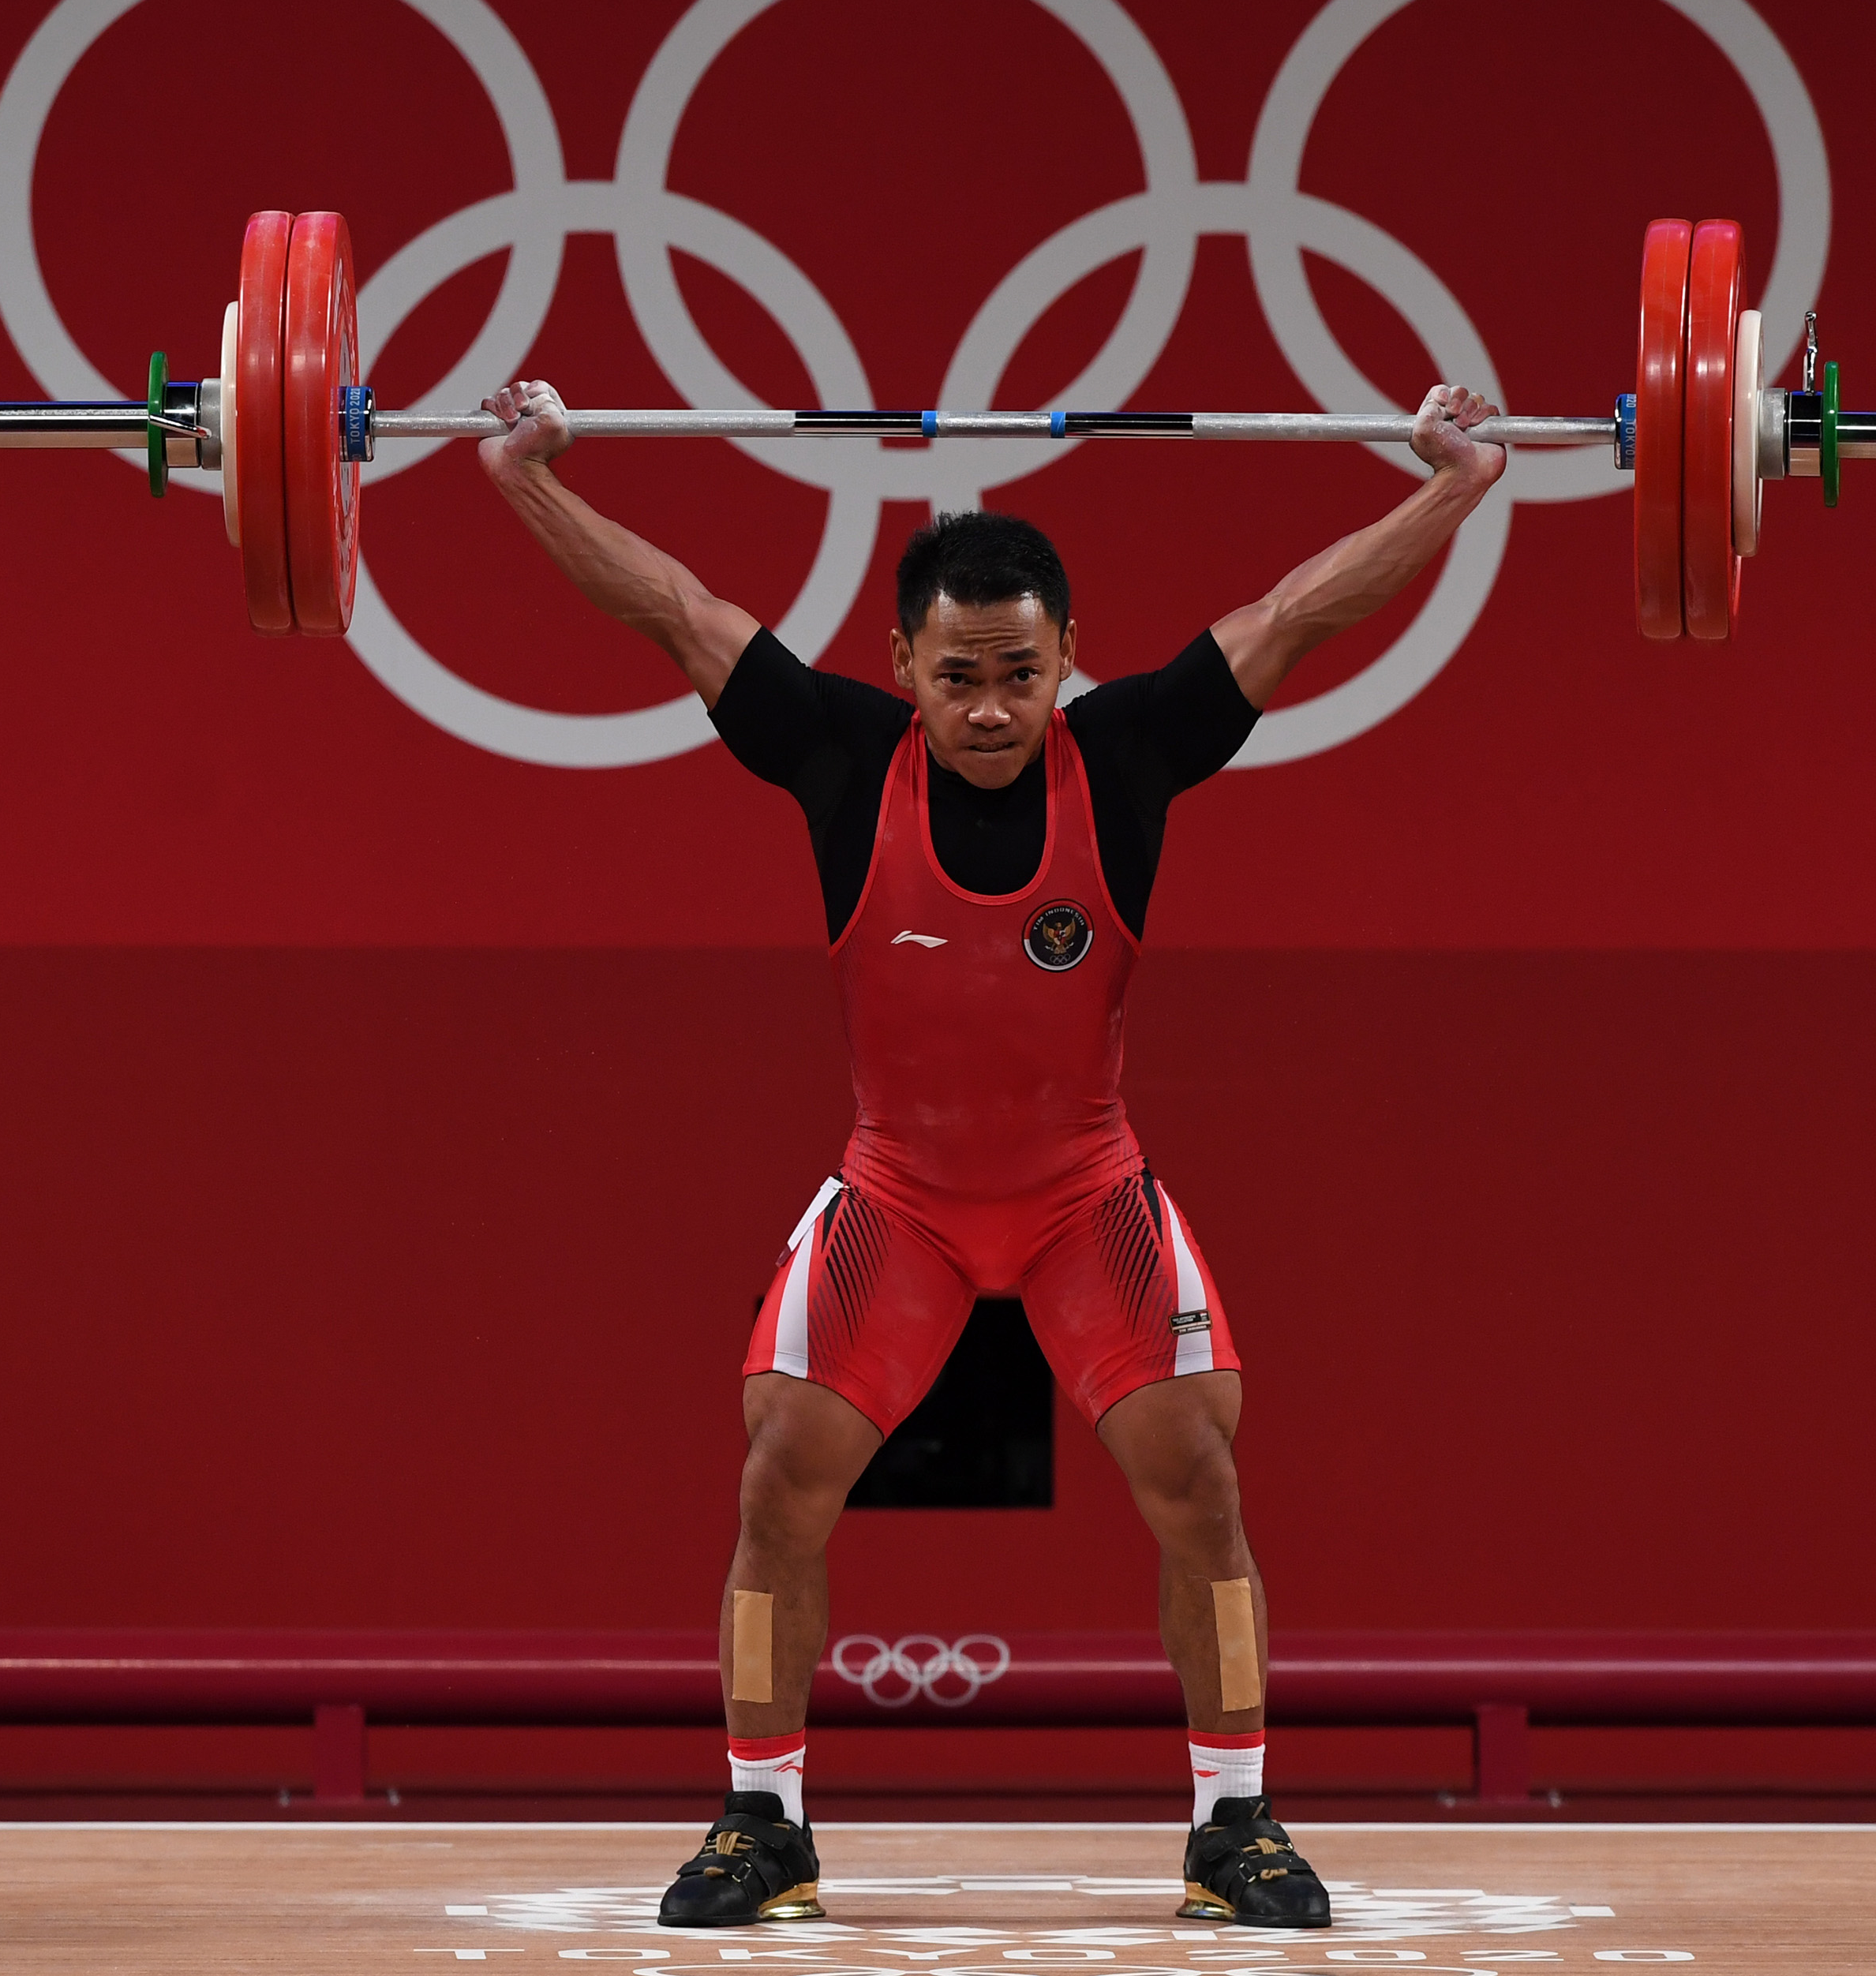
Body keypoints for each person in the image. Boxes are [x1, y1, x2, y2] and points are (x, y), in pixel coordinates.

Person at [478, 376, 1507, 1929]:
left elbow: (1293, 613)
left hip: (1083, 1191)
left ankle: (1234, 1822)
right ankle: (764, 1814)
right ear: (901, 664)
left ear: (1062, 662)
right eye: (953, 675)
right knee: (778, 1476)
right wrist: (522, 478)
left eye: (1016, 674)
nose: (983, 707)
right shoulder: (838, 756)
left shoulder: (1133, 754)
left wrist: (1454, 486)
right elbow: (676, 611)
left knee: (1199, 1482)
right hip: (897, 1193)